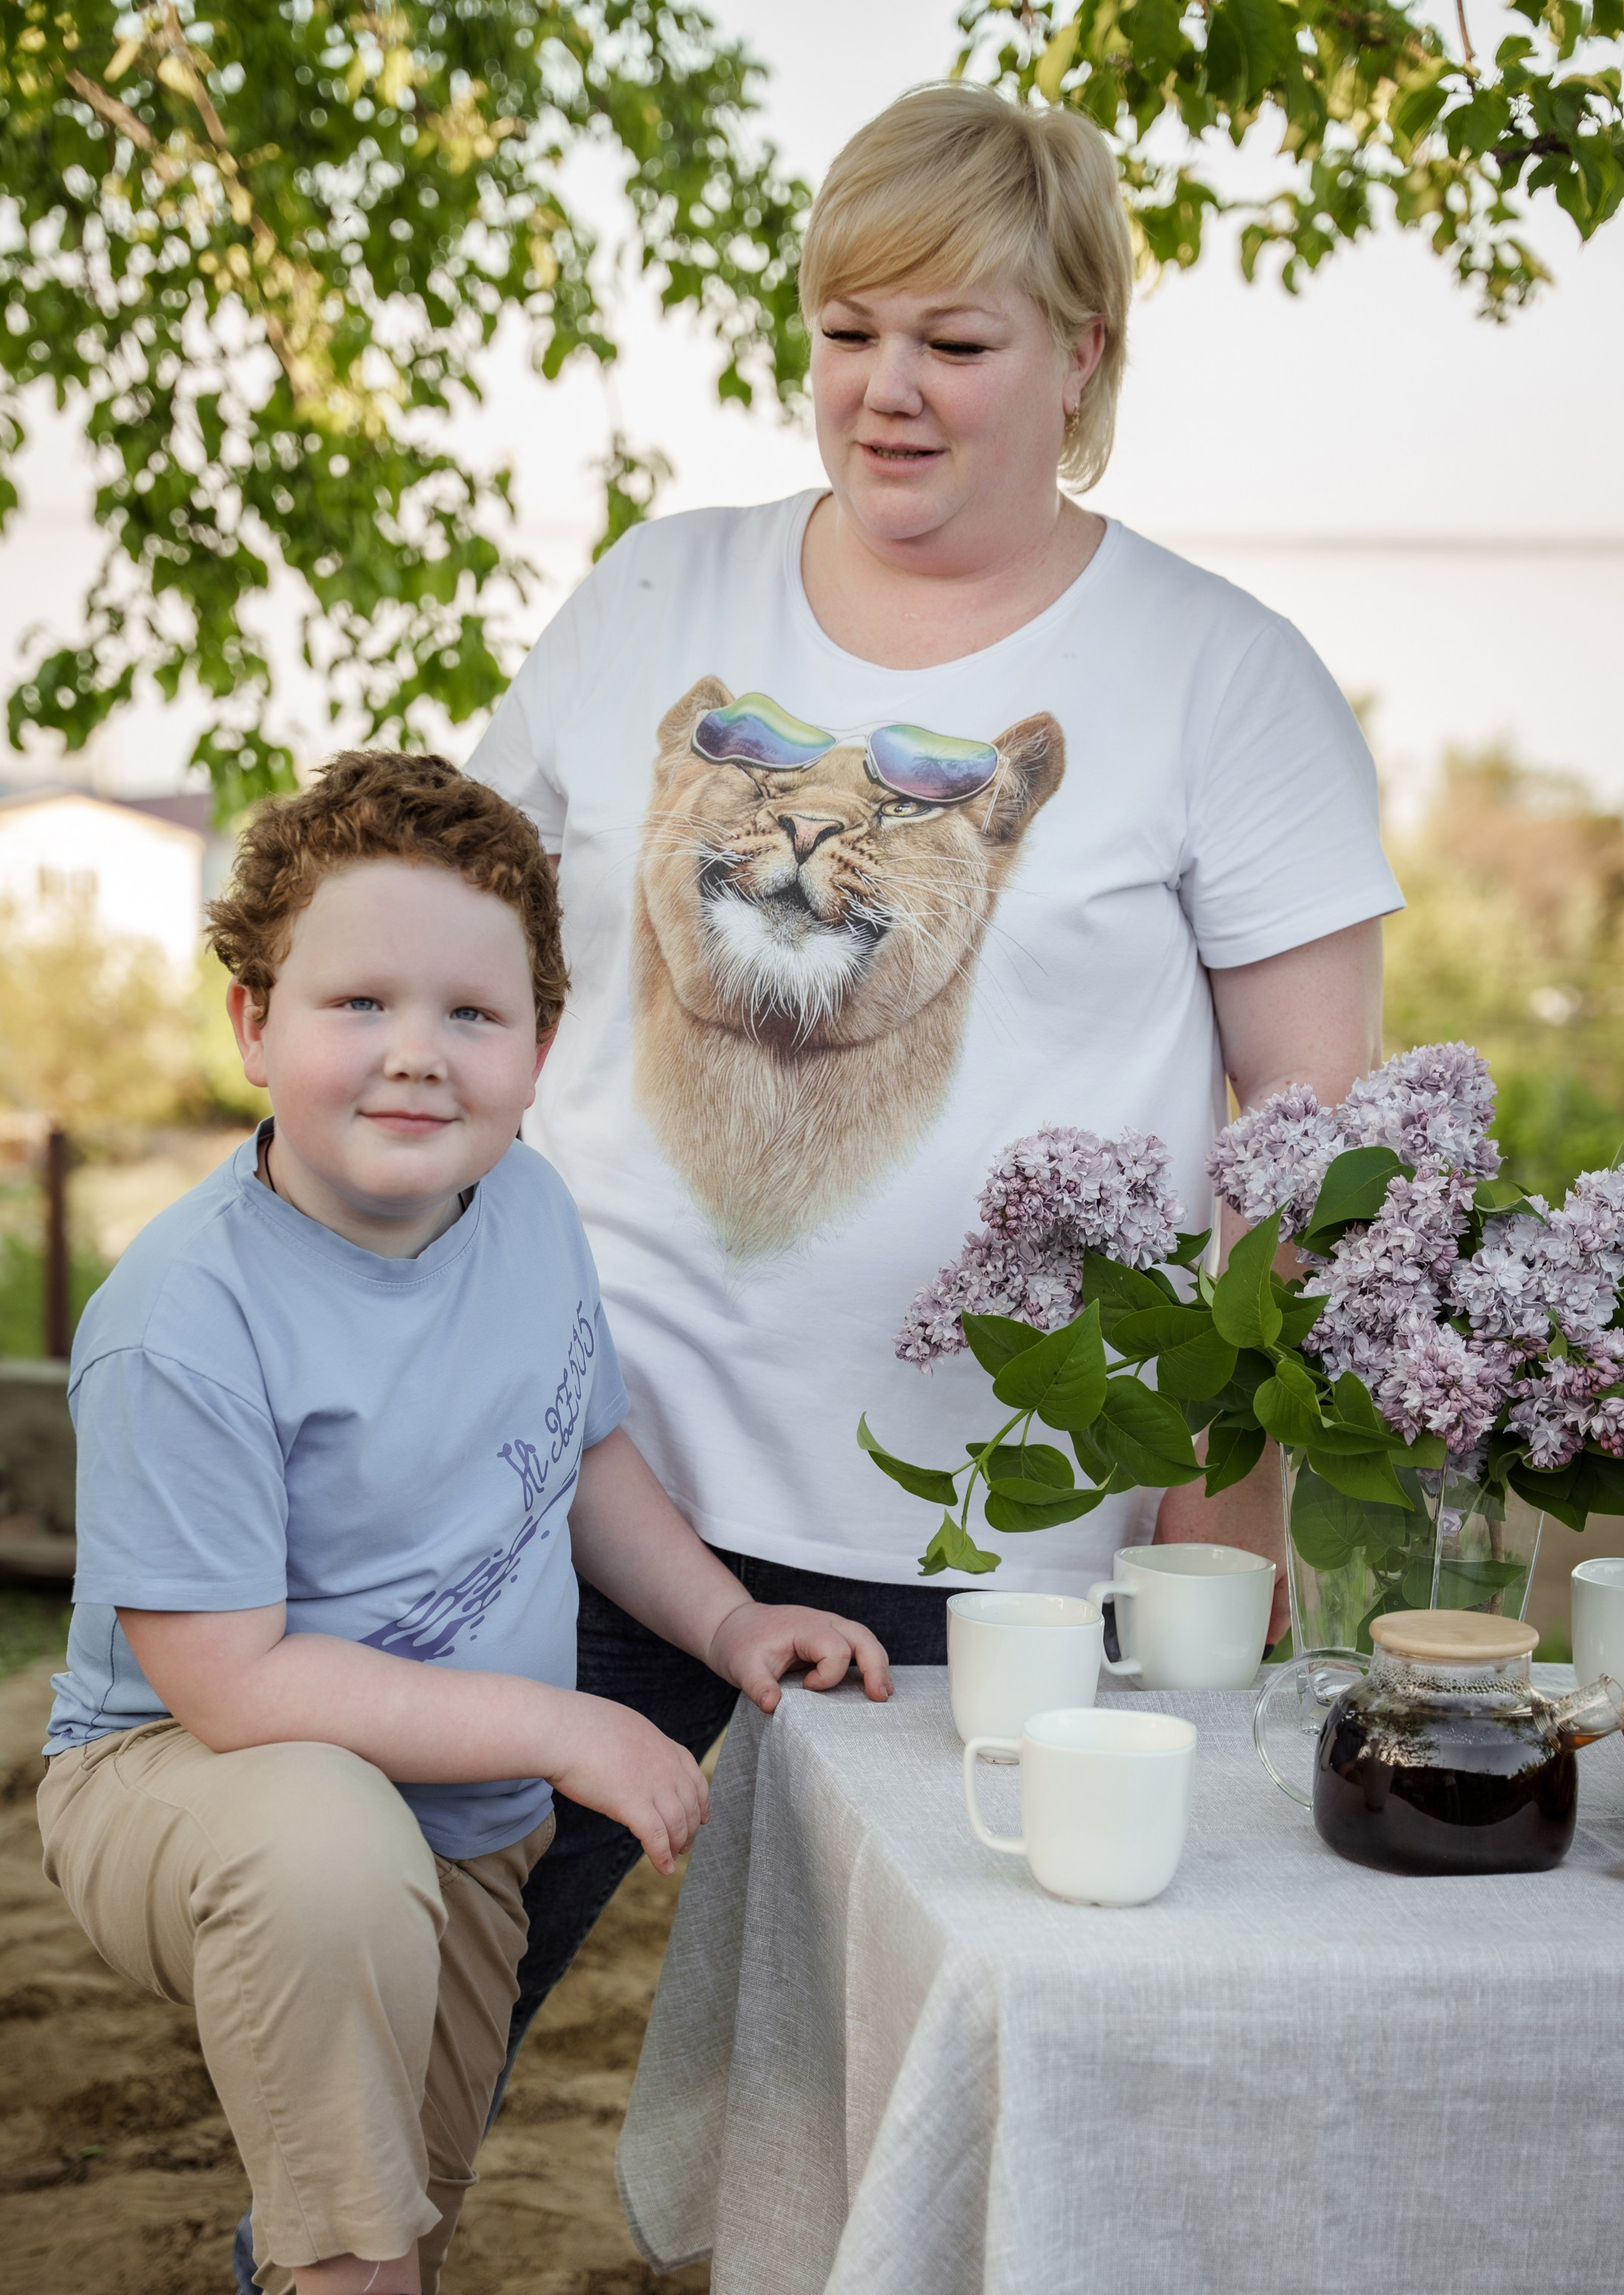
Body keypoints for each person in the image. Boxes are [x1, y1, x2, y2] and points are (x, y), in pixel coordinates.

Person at [475, 82, 1401, 2052]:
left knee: (931, 2067)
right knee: (420, 1964)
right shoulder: (664, 590)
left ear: (1080, 351)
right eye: (846, 333)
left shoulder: (1220, 674)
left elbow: (1315, 1147)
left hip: (996, 1551)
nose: (886, 390)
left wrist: (1216, 1509)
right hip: (576, 1465)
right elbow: (460, 947)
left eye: (956, 343)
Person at [45, 751, 888, 2295]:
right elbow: (235, 1686)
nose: (415, 1053)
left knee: (371, 2200)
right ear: (256, 1022)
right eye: (357, 1003)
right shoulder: (184, 1318)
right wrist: (572, 1721)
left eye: (471, 1012)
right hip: (185, 1779)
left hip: (462, 1818)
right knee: (324, 1854)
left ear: (540, 1048)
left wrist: (731, 1625)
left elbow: (585, 1468)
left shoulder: (524, 1223)